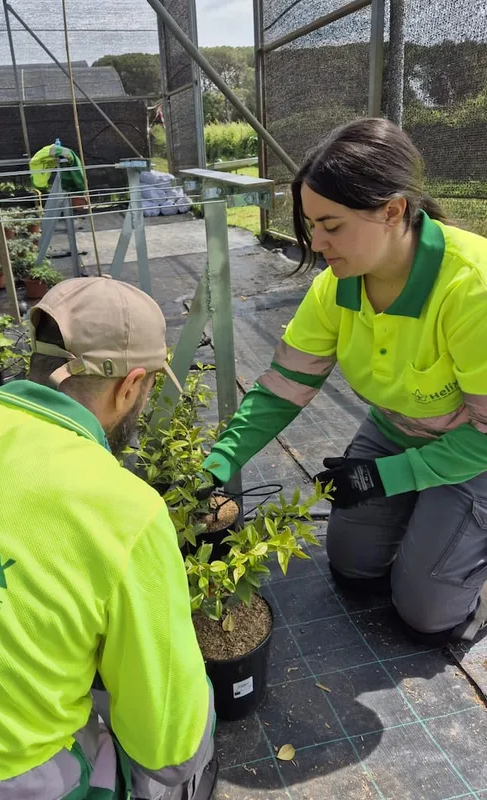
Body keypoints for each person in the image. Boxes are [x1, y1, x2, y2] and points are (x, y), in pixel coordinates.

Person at [0, 277, 216, 800]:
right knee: (179, 742)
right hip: (0, 782)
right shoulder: (124, 509)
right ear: (130, 386)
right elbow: (169, 751)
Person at [201, 117, 487, 646]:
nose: (317, 242)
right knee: (353, 566)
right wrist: (216, 465)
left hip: (476, 452)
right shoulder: (338, 285)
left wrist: (389, 477)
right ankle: (433, 523)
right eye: (312, 225)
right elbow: (284, 387)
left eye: (332, 226)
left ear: (393, 211)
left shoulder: (472, 290)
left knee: (427, 613)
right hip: (399, 429)